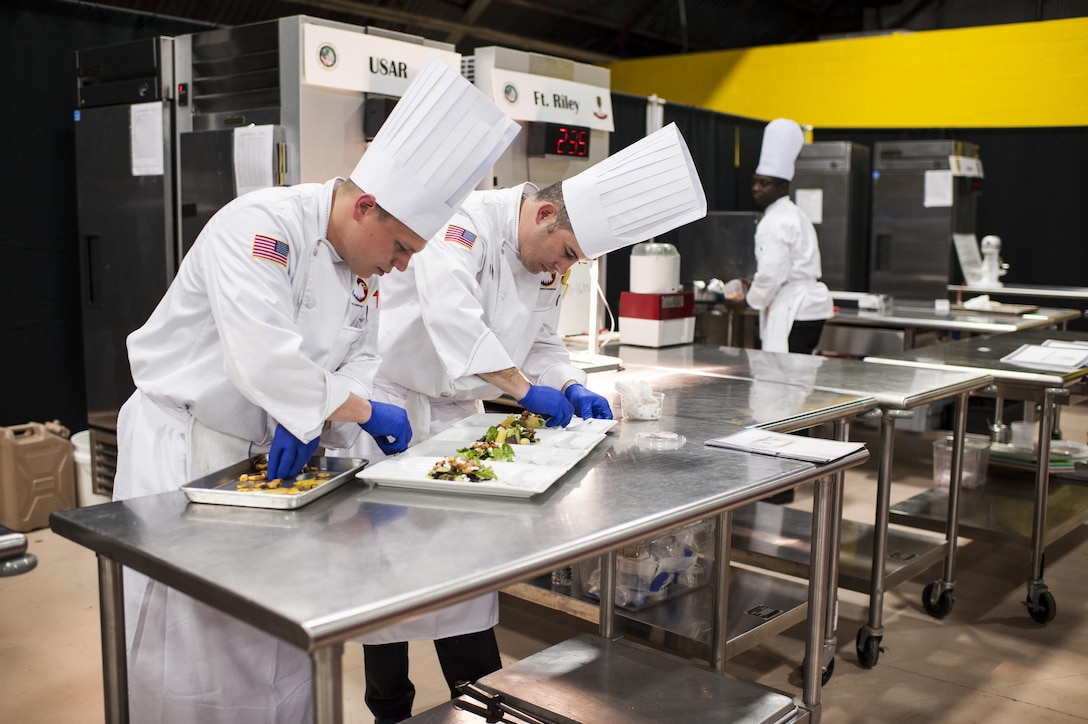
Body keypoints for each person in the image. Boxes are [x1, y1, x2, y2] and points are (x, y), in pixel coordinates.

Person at [111, 59, 518, 723]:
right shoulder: (259, 227)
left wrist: (319, 419)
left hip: (257, 456)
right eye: (402, 245)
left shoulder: (362, 265)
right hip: (184, 447)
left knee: (273, 635)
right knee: (193, 642)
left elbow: (361, 351)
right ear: (364, 207)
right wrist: (354, 410)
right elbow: (265, 358)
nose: (404, 264)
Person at [341, 122, 707, 723]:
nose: (562, 269)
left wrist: (566, 383)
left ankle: (480, 701)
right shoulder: (465, 224)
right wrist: (522, 390)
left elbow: (542, 339)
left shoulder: (548, 262)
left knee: (464, 574)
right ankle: (389, 708)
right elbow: (451, 315)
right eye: (565, 254)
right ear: (542, 216)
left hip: (461, 413)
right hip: (393, 408)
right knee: (387, 577)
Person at [729, 118, 833, 355]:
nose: (756, 188)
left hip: (795, 308)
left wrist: (748, 300)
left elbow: (771, 273)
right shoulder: (794, 213)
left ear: (782, 188)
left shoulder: (774, 222)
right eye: (755, 182)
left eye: (764, 184)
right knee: (799, 378)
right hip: (812, 308)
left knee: (784, 379)